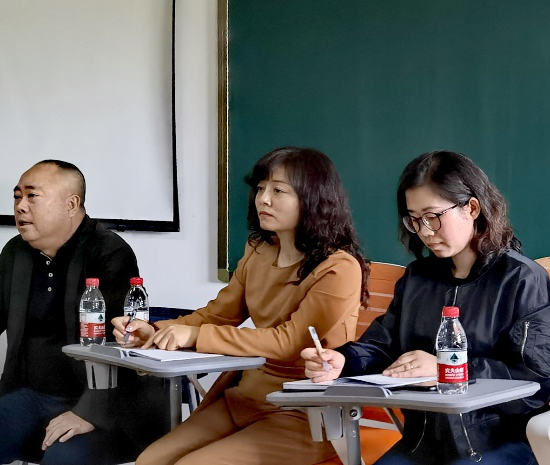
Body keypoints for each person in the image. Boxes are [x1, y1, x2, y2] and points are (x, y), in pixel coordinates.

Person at [114, 147, 369, 464]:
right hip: (244, 399)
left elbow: (289, 342)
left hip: (304, 413)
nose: (263, 199)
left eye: (278, 191)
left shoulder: (339, 268)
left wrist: (195, 336)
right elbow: (218, 315)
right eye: (261, 188)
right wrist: (155, 330)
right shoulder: (258, 250)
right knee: (149, 461)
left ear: (312, 198)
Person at [302, 150, 550, 465]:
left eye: (433, 216)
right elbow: (383, 346)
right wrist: (342, 360)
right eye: (414, 219)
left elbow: (536, 380)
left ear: (472, 208)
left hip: (501, 443)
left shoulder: (520, 278)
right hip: (421, 444)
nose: (425, 231)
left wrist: (448, 369)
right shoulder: (416, 279)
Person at [0, 160, 165, 465]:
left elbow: (120, 344)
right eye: (17, 196)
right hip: (31, 399)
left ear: (71, 204)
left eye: (32, 196)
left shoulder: (109, 252)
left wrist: (89, 412)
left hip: (106, 405)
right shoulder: (16, 252)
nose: (20, 206)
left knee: (63, 458)